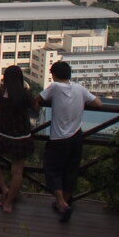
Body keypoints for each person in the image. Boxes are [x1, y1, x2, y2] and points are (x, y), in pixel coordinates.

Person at [41, 60, 102, 223]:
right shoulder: (79, 88)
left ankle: (61, 204)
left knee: (52, 170)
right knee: (70, 171)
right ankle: (65, 205)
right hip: (76, 136)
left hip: (59, 137)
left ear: (53, 75)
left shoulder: (55, 87)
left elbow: (38, 99)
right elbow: (98, 103)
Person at [0, 65, 39, 213]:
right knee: (17, 171)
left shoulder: (1, 92)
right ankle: (8, 203)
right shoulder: (25, 94)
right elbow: (36, 108)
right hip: (22, 137)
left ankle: (4, 188)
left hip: (3, 136)